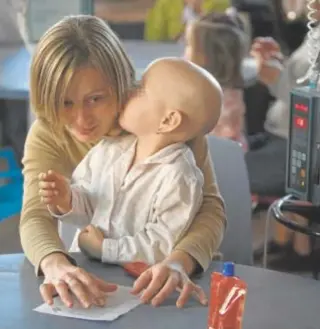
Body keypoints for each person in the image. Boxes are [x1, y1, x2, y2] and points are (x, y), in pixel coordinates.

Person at [20, 15, 226, 309]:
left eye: (96, 99)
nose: (82, 120)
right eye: (65, 103)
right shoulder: (48, 132)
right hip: (99, 273)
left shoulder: (166, 114)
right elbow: (36, 214)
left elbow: (210, 207)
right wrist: (55, 263)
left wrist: (179, 262)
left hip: (170, 277)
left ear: (120, 84)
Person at [38, 58, 222, 266]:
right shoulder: (109, 149)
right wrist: (68, 200)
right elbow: (90, 208)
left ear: (168, 121)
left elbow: (161, 245)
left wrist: (105, 249)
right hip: (86, 273)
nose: (128, 91)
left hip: (138, 286)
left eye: (141, 88)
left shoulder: (180, 176)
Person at [248, 1, 320, 268]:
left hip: (299, 138)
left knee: (235, 167)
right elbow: (304, 77)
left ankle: (299, 248)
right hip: (285, 133)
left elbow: (310, 99)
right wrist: (280, 64)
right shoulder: (315, 32)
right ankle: (287, 242)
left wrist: (275, 78)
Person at [184, 11, 248, 150]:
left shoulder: (221, 102)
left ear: (205, 56)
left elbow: (226, 141)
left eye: (189, 45)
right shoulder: (229, 90)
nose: (185, 52)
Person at [144, 0, 230, 41]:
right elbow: (153, 41)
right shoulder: (165, 3)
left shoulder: (221, 3)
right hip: (173, 62)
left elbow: (221, 41)